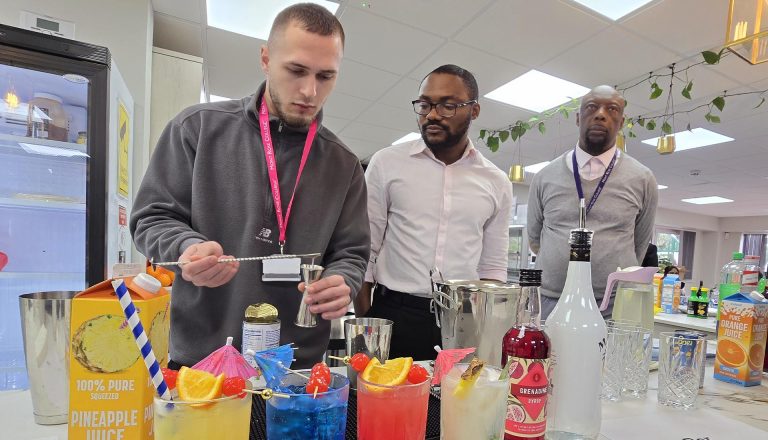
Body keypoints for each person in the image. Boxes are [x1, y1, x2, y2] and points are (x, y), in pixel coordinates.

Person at [130, 3, 369, 369]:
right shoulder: (197, 129)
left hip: (297, 366)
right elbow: (151, 218)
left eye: (326, 76)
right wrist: (186, 247)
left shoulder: (344, 164)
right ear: (265, 58)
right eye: (296, 70)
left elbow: (351, 253)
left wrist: (343, 280)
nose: (309, 91)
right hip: (201, 358)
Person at [356, 64, 513, 360]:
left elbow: (492, 268)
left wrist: (485, 333)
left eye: (448, 105)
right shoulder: (387, 163)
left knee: (454, 406)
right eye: (424, 104)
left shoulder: (496, 182)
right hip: (394, 315)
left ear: (474, 110)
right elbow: (365, 250)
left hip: (464, 319)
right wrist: (368, 321)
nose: (432, 114)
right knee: (387, 405)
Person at [527, 85, 658, 319]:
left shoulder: (643, 178)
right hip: (550, 300)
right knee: (548, 357)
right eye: (591, 107)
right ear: (578, 118)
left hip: (613, 305)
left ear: (622, 121)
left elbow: (640, 243)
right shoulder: (545, 176)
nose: (600, 114)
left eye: (612, 109)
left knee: (609, 357)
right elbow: (535, 239)